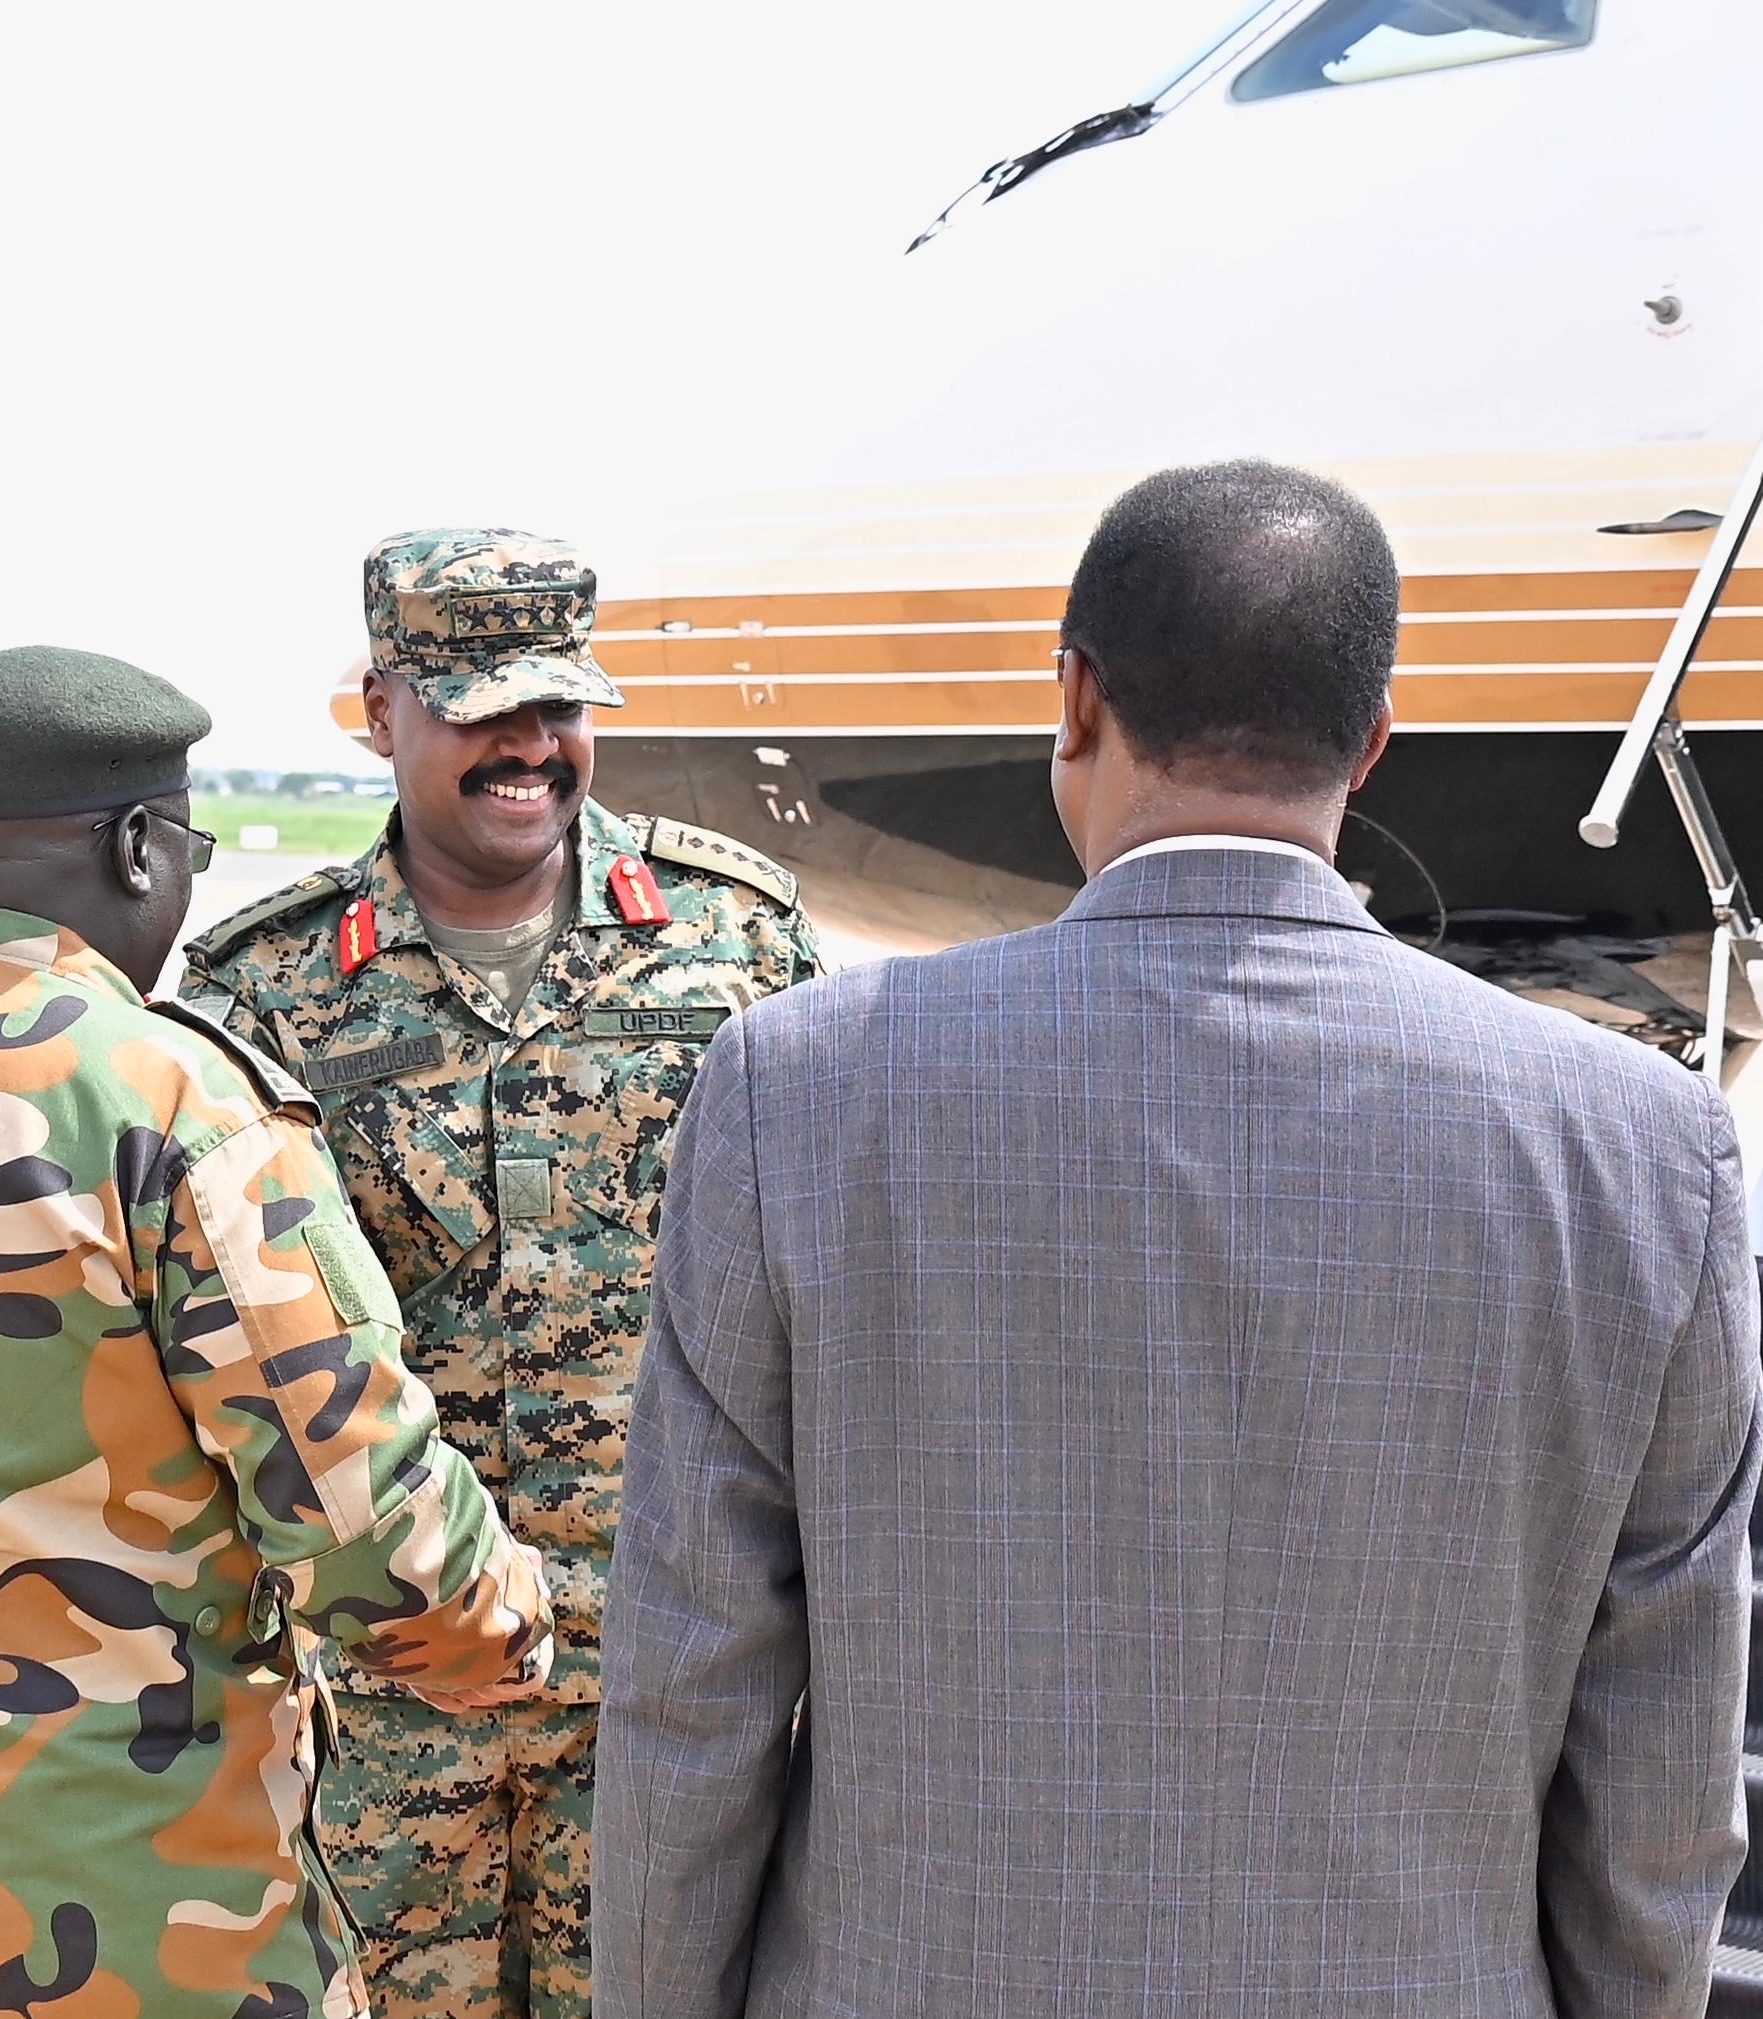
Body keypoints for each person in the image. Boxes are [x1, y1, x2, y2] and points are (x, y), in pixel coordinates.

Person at [592, 461, 1762, 2018]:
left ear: (1075, 699)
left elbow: (692, 1686)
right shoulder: (1646, 1149)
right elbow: (1663, 1782)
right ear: (1372, 740)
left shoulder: (796, 1091)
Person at [0, 644, 553, 2019]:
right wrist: (513, 1635)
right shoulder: (170, 1099)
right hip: (139, 1927)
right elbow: (372, 1538)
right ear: (140, 847)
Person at [182, 529, 822, 2019]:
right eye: (483, 709)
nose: (531, 746)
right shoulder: (261, 990)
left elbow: (833, 1273)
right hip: (386, 1688)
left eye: (561, 705)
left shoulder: (737, 943)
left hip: (671, 1670)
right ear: (380, 712)